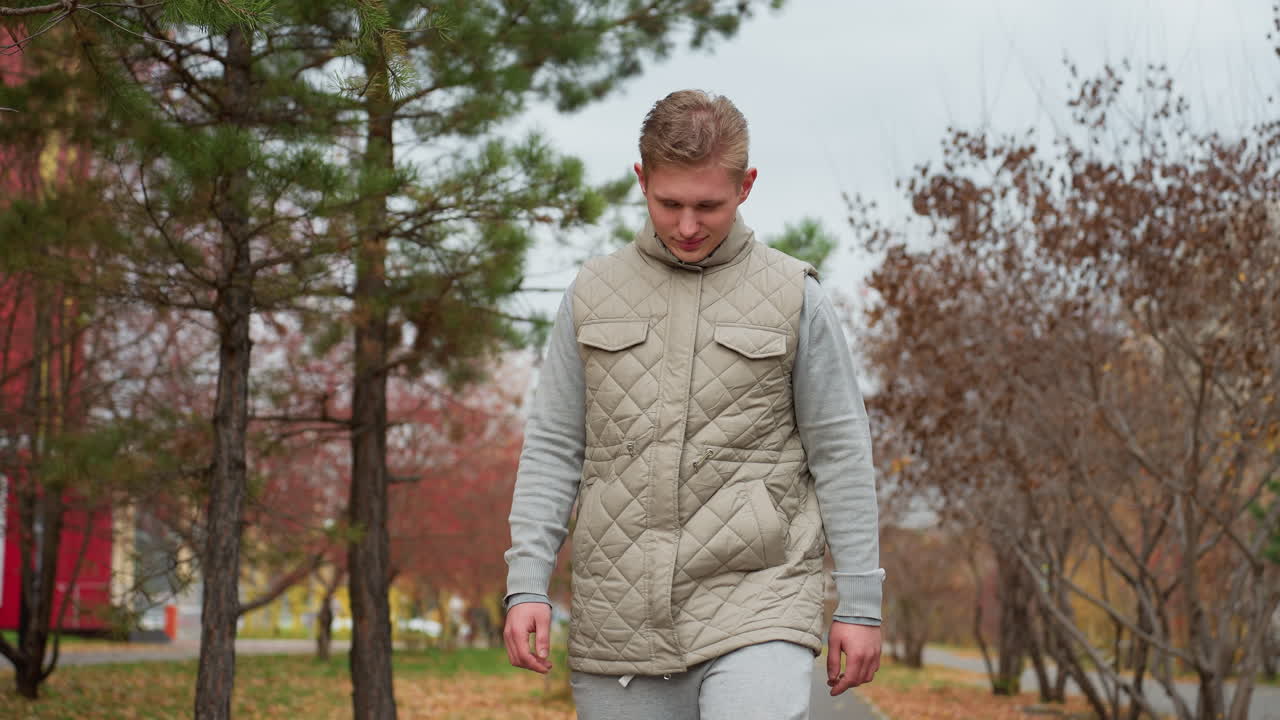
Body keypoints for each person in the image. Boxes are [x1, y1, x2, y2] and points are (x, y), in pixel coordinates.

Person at [502, 89, 884, 720]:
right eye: (668, 203)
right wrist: (526, 586)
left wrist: (860, 604)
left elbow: (840, 452)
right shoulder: (591, 293)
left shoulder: (795, 297)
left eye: (708, 205)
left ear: (746, 185)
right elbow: (552, 447)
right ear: (641, 180)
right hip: (618, 611)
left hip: (761, 597)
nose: (686, 226)